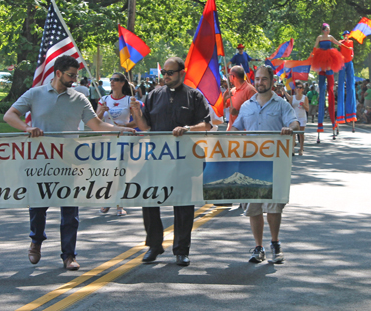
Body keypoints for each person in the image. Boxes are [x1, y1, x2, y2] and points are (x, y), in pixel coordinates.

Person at [3, 55, 135, 271]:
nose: (74, 80)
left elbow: (97, 124)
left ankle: (69, 255)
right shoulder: (35, 94)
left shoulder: (79, 99)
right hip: (41, 161)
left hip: (70, 161)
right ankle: (36, 241)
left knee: (70, 211)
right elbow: (10, 116)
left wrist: (123, 129)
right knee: (38, 207)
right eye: (70, 75)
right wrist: (26, 128)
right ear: (57, 73)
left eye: (75, 76)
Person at [130, 56, 212, 267]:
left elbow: (207, 125)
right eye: (163, 73)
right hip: (156, 158)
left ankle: (181, 250)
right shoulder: (153, 95)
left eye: (170, 73)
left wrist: (188, 129)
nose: (165, 76)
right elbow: (145, 127)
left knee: (183, 204)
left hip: (185, 159)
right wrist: (137, 113)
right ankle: (154, 245)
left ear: (181, 73)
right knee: (148, 200)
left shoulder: (194, 96)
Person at [230, 65, 299, 264]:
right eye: (257, 79)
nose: (260, 82)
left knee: (274, 206)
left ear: (271, 81)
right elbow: (236, 127)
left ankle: (275, 243)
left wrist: (289, 128)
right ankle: (258, 247)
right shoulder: (246, 106)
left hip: (275, 163)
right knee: (254, 207)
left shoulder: (282, 105)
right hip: (251, 163)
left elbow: (294, 123)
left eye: (264, 79)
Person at [96, 72, 136, 216]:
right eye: (111, 79)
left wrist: (122, 126)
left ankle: (120, 203)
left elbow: (137, 120)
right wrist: (101, 111)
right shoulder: (104, 99)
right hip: (106, 140)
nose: (112, 82)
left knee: (120, 171)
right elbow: (96, 121)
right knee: (107, 171)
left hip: (123, 139)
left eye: (116, 80)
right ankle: (107, 200)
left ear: (122, 83)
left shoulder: (129, 100)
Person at [311, 23, 349, 142]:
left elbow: (339, 43)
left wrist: (348, 47)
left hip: (330, 63)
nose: (328, 30)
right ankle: (321, 124)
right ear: (324, 30)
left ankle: (334, 122)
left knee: (330, 92)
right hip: (321, 62)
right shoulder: (319, 37)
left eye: (329, 29)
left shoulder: (331, 37)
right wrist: (311, 56)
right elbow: (315, 47)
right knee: (322, 92)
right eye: (327, 29)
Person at [223, 66, 257, 130]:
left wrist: (237, 113)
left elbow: (256, 111)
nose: (228, 77)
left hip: (244, 135)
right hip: (231, 132)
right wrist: (224, 99)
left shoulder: (250, 90)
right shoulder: (232, 91)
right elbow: (222, 108)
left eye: (229, 75)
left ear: (232, 77)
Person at [337, 31, 357, 132]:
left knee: (351, 88)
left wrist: (352, 53)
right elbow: (339, 47)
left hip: (349, 63)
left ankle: (351, 115)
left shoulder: (351, 42)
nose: (346, 37)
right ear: (343, 36)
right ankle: (340, 116)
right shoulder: (341, 42)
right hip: (342, 63)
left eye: (347, 35)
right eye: (344, 35)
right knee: (340, 88)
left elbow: (352, 51)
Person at [283, 81, 309, 155]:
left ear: (302, 89)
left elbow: (307, 109)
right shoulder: (292, 97)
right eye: (297, 87)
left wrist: (303, 105)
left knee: (301, 133)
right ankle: (292, 149)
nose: (298, 89)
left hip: (302, 117)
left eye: (300, 87)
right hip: (294, 117)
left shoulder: (305, 98)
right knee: (293, 133)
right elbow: (290, 107)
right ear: (295, 89)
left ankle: (301, 149)